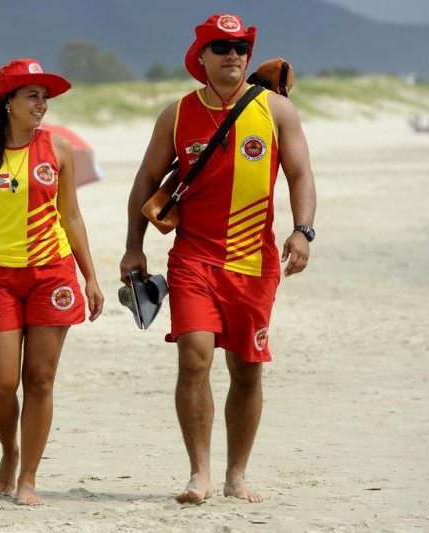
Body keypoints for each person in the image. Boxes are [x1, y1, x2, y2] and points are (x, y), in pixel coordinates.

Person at [120, 14, 316, 504]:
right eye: (221, 46)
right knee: (194, 357)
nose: (233, 54)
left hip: (254, 262)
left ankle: (237, 475)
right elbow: (145, 182)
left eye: (241, 47)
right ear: (201, 57)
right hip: (193, 258)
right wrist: (133, 245)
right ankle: (199, 474)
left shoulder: (276, 111)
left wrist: (302, 230)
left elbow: (300, 174)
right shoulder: (177, 114)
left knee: (247, 369)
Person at [0, 58, 104, 506]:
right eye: (32, 96)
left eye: (44, 98)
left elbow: (71, 215)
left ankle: (28, 476)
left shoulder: (59, 149)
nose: (42, 104)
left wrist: (91, 276)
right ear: (6, 102)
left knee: (41, 379)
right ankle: (9, 450)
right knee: (1, 385)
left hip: (54, 274)